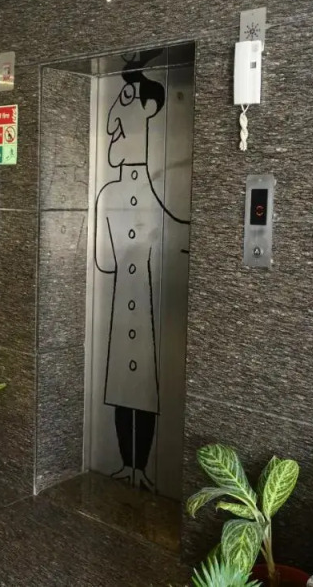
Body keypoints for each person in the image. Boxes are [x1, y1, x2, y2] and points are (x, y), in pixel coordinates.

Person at [94, 50, 190, 491]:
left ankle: (142, 468)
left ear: (150, 110)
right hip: (120, 309)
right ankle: (129, 466)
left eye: (127, 99)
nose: (113, 121)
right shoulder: (113, 195)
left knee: (142, 385)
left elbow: (107, 259)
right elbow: (103, 262)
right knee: (123, 383)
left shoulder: (152, 194)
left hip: (146, 309)